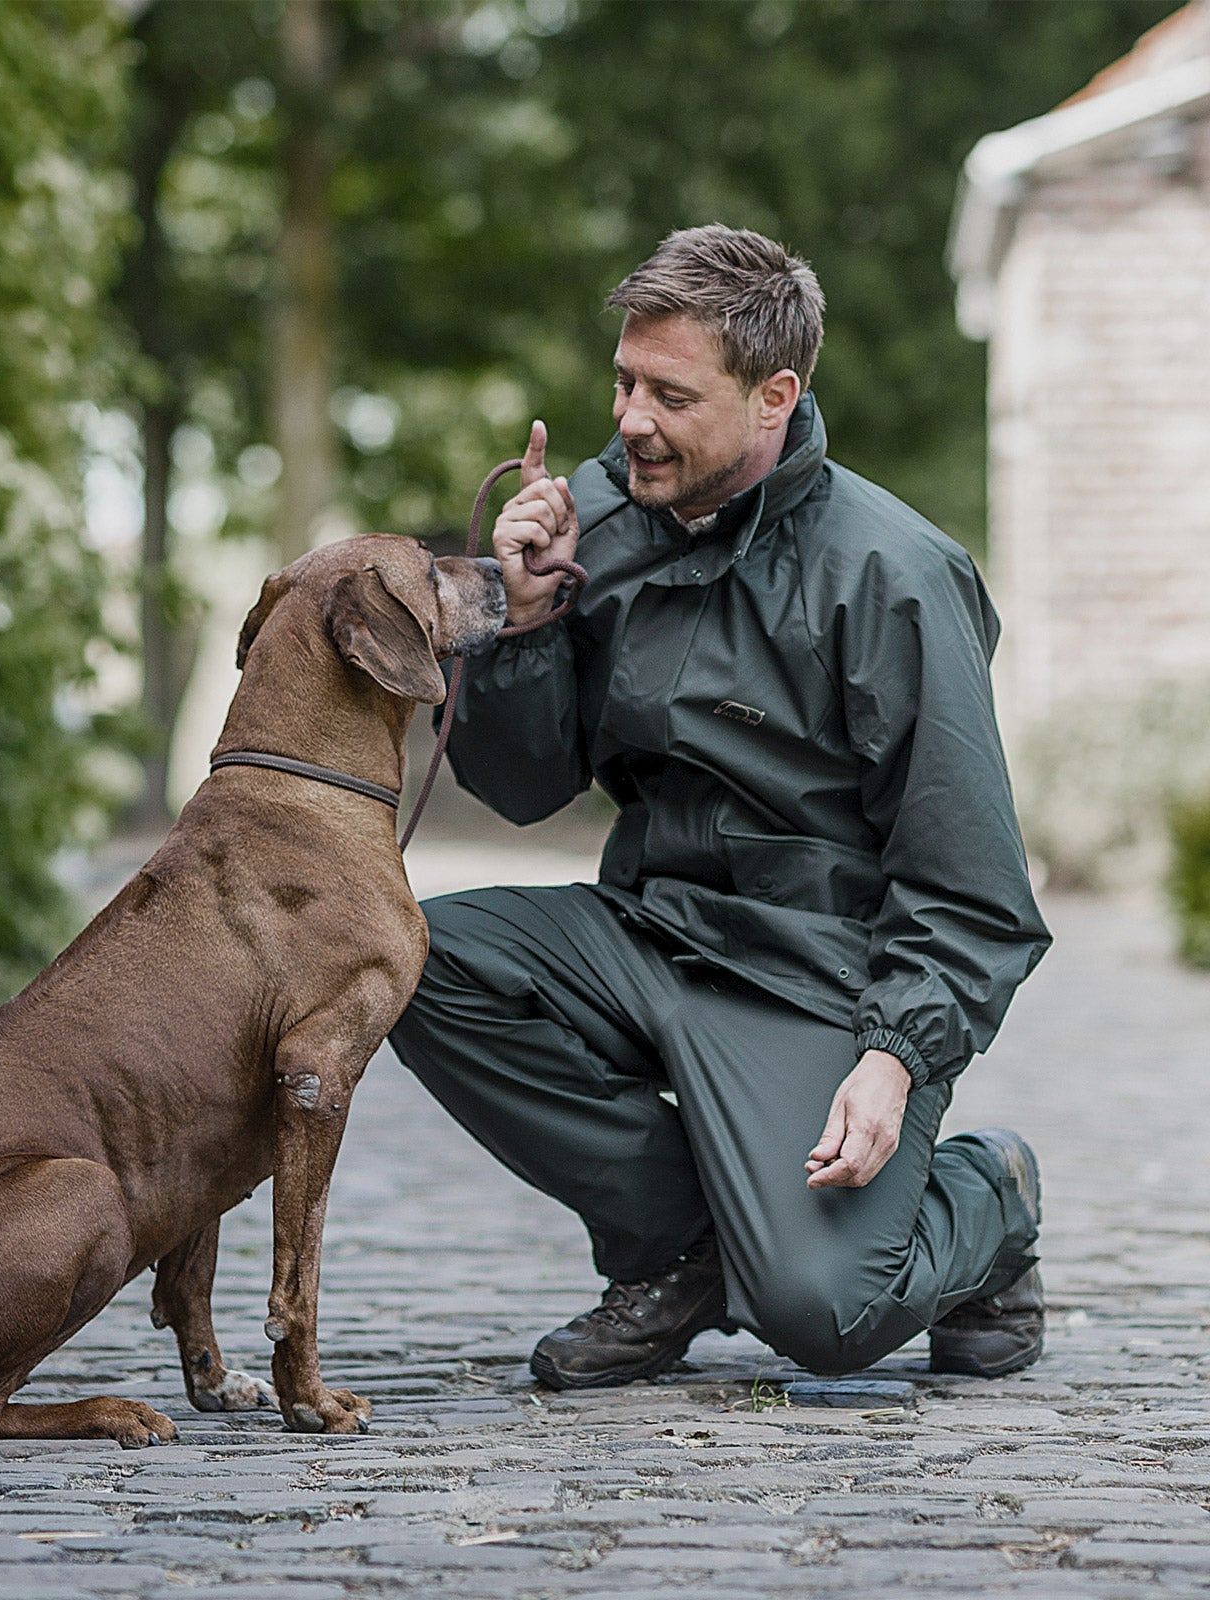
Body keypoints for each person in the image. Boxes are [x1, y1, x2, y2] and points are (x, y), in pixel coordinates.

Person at [388, 224, 1052, 1389]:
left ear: (772, 398)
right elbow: (525, 787)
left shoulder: (893, 573)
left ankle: (983, 1193)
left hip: (816, 976)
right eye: (623, 383)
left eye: (671, 395)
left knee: (826, 1316)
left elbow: (971, 885)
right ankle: (681, 1249)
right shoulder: (594, 521)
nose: (630, 420)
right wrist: (521, 621)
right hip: (646, 931)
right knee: (400, 954)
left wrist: (896, 1055)